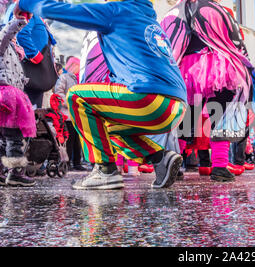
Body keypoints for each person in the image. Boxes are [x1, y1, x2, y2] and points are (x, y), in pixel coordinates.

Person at [14, 0, 187, 190]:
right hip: (176, 107)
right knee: (108, 130)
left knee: (76, 96)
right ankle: (160, 158)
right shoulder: (149, 20)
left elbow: (65, 11)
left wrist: (26, 3)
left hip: (149, 100)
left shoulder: (116, 11)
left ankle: (105, 170)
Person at [161, 0, 255, 182]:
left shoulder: (176, 10)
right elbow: (237, 46)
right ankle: (219, 166)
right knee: (222, 116)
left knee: (185, 119)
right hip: (220, 69)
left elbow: (167, 42)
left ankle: (175, 166)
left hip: (187, 70)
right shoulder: (218, 10)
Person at [0, 18, 36, 187]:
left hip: (9, 95)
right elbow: (6, 34)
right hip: (8, 96)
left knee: (4, 137)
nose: (15, 38)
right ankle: (15, 173)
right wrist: (19, 21)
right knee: (13, 136)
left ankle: (3, 172)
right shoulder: (3, 43)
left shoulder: (12, 50)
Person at [4, 0, 57, 108]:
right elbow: (21, 35)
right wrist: (35, 56)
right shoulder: (27, 9)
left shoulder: (29, 9)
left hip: (34, 70)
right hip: (33, 69)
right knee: (30, 108)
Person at [54, 56, 86, 171]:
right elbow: (58, 92)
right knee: (69, 139)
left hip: (77, 115)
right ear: (73, 65)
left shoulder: (78, 79)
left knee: (77, 140)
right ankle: (66, 163)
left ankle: (77, 162)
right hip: (67, 115)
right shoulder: (64, 77)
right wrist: (69, 103)